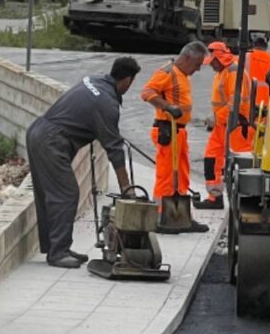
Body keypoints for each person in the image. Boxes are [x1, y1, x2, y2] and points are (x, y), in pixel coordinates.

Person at [27, 57, 141, 269]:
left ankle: (56, 248)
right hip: (52, 141)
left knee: (49, 194)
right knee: (66, 194)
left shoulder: (94, 80)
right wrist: (127, 188)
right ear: (127, 80)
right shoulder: (107, 104)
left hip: (39, 130)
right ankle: (58, 253)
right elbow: (115, 150)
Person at [141, 41, 209, 220]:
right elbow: (147, 92)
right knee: (167, 175)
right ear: (186, 58)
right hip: (167, 130)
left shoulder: (182, 74)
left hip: (178, 131)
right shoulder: (168, 72)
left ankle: (180, 216)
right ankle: (162, 216)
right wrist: (168, 107)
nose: (198, 69)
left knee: (181, 173)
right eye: (197, 64)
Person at [197, 42, 252, 209]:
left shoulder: (233, 73)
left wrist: (217, 118)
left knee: (240, 163)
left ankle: (246, 200)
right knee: (211, 158)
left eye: (212, 62)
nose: (211, 66)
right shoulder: (223, 72)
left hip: (237, 125)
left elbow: (235, 102)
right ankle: (215, 197)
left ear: (218, 58)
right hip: (223, 125)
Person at [246, 34, 270, 109]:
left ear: (253, 45)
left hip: (248, 100)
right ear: (266, 46)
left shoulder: (245, 57)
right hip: (266, 101)